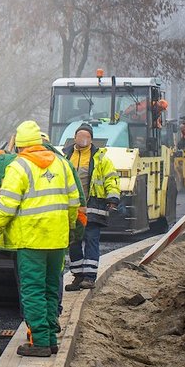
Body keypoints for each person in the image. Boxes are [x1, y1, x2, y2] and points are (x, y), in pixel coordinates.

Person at [0, 120, 80, 357]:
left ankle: (39, 341)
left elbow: (6, 205)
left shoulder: (19, 167)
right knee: (50, 288)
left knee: (33, 290)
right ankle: (50, 338)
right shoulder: (61, 164)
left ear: (19, 146)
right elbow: (73, 201)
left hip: (31, 240)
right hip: (57, 240)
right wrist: (69, 229)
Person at [62, 123, 120, 291]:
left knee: (91, 241)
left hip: (93, 207)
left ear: (92, 139)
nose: (83, 139)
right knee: (74, 242)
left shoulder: (100, 158)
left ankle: (89, 277)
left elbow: (111, 179)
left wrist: (113, 198)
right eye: (80, 136)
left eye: (87, 136)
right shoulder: (66, 157)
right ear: (74, 138)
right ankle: (78, 276)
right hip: (73, 209)